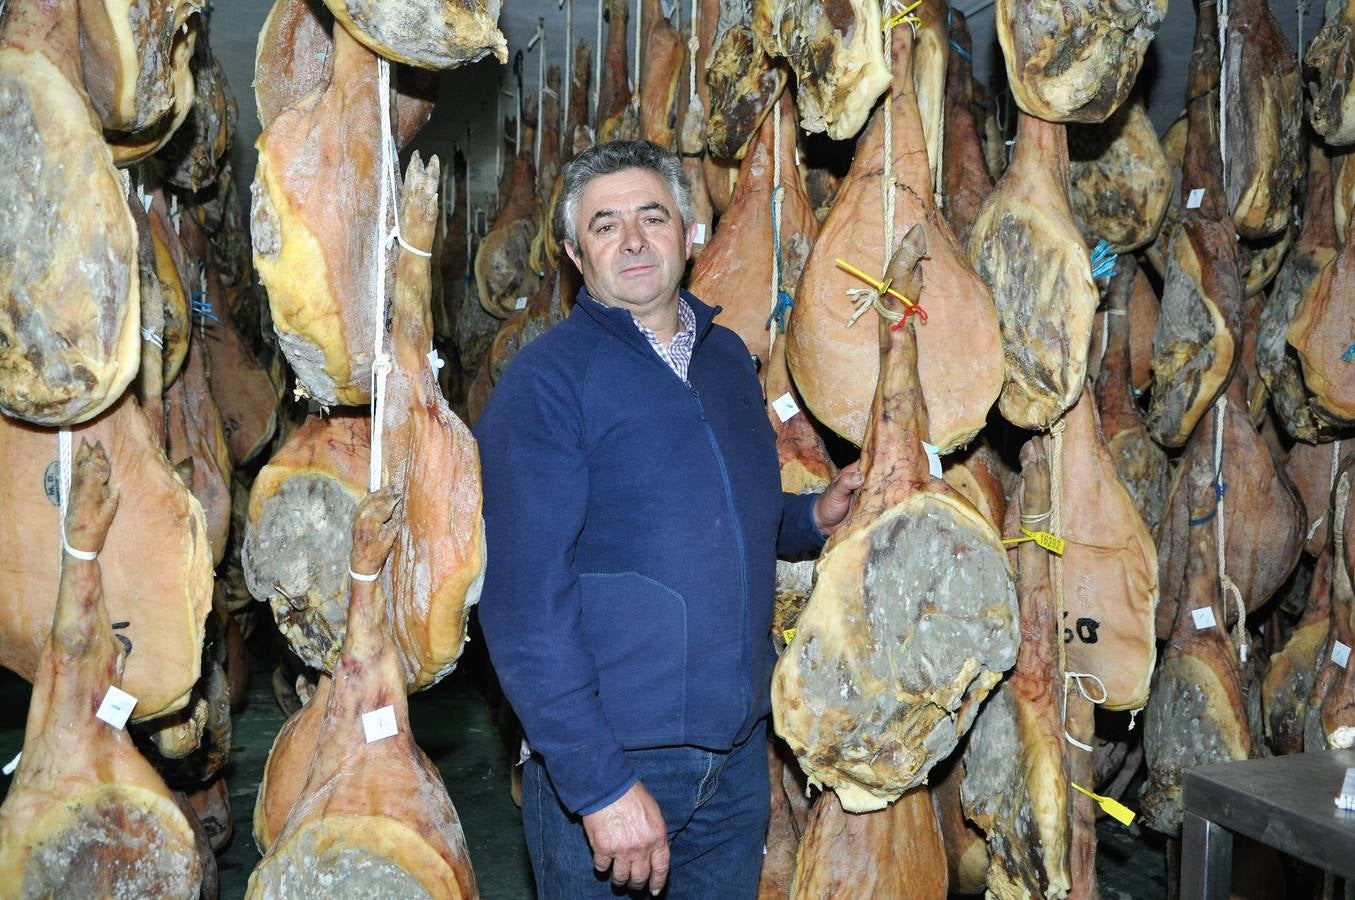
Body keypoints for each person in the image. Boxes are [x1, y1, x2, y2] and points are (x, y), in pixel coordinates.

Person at [474, 140, 862, 899]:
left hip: (740, 750)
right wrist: (596, 784)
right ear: (573, 254)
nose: (631, 240)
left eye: (651, 217)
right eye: (604, 225)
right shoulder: (547, 381)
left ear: (689, 233)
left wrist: (809, 516)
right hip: (618, 756)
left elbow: (720, 511)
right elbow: (521, 603)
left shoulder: (724, 360)